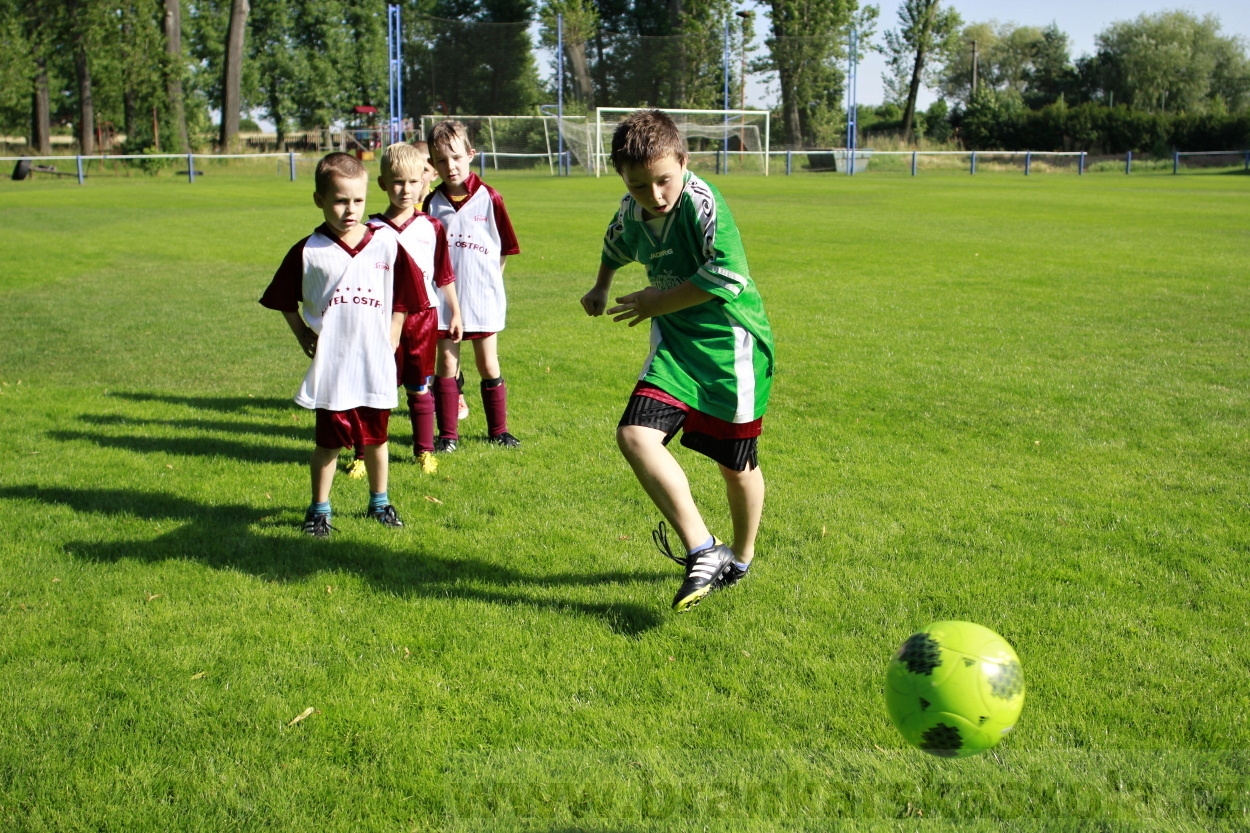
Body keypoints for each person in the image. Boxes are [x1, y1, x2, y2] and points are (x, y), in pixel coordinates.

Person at [580, 109, 775, 613]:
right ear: (622, 178)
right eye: (641, 186)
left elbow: (728, 278)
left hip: (731, 348)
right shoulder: (630, 211)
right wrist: (601, 286)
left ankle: (742, 557)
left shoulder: (703, 203)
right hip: (674, 348)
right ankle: (703, 548)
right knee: (634, 435)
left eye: (665, 180)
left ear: (684, 163)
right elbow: (614, 245)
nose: (656, 196)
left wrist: (653, 303)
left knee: (737, 468)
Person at [260, 152, 423, 537]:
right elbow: (282, 299)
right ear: (319, 199)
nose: (350, 210)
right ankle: (319, 509)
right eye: (339, 200)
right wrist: (303, 334)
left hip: (373, 361)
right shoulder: (309, 250)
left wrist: (395, 329)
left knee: (376, 439)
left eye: (358, 201)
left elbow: (406, 293)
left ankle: (379, 503)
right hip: (333, 365)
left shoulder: (385, 243)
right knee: (329, 443)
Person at [342, 141, 462, 478]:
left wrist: (455, 311)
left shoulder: (432, 227)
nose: (405, 189)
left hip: (423, 319)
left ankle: (424, 451)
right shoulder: (370, 230)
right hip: (380, 322)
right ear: (382, 183)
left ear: (424, 182)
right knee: (372, 390)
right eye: (397, 182)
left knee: (418, 387)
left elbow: (444, 274)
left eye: (412, 181)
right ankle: (362, 454)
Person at [422, 119, 522, 451]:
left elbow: (504, 249)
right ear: (433, 165)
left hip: (482, 300)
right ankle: (448, 436)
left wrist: (489, 284)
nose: (450, 166)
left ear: (470, 154)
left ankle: (499, 431)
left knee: (487, 364)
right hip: (444, 303)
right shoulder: (431, 204)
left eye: (456, 157)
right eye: (441, 160)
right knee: (446, 365)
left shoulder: (490, 198)